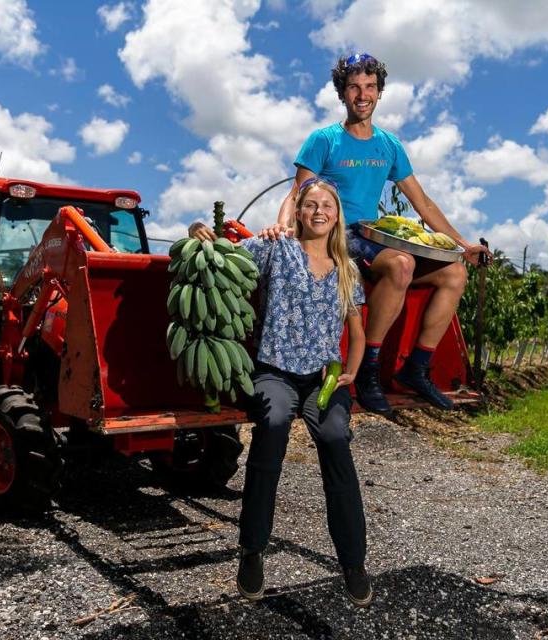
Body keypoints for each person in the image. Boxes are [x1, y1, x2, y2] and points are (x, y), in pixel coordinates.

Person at [270, 53, 492, 415]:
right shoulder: (324, 139)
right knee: (401, 264)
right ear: (342, 93)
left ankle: (417, 368)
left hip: (372, 236)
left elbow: (422, 202)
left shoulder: (388, 146)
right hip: (337, 235)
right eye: (354, 87)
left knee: (454, 272)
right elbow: (300, 195)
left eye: (370, 87)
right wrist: (284, 228)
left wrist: (462, 244)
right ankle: (369, 370)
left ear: (379, 92)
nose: (362, 94)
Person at [189, 180, 372, 607]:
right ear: (299, 211)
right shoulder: (276, 248)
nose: (319, 211)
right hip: (275, 371)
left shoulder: (348, 268)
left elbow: (358, 331)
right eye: (311, 204)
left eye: (327, 205)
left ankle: (353, 563)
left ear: (336, 215)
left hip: (323, 378)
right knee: (271, 425)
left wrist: (351, 372)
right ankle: (252, 551)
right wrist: (200, 227)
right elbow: (222, 257)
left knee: (335, 439)